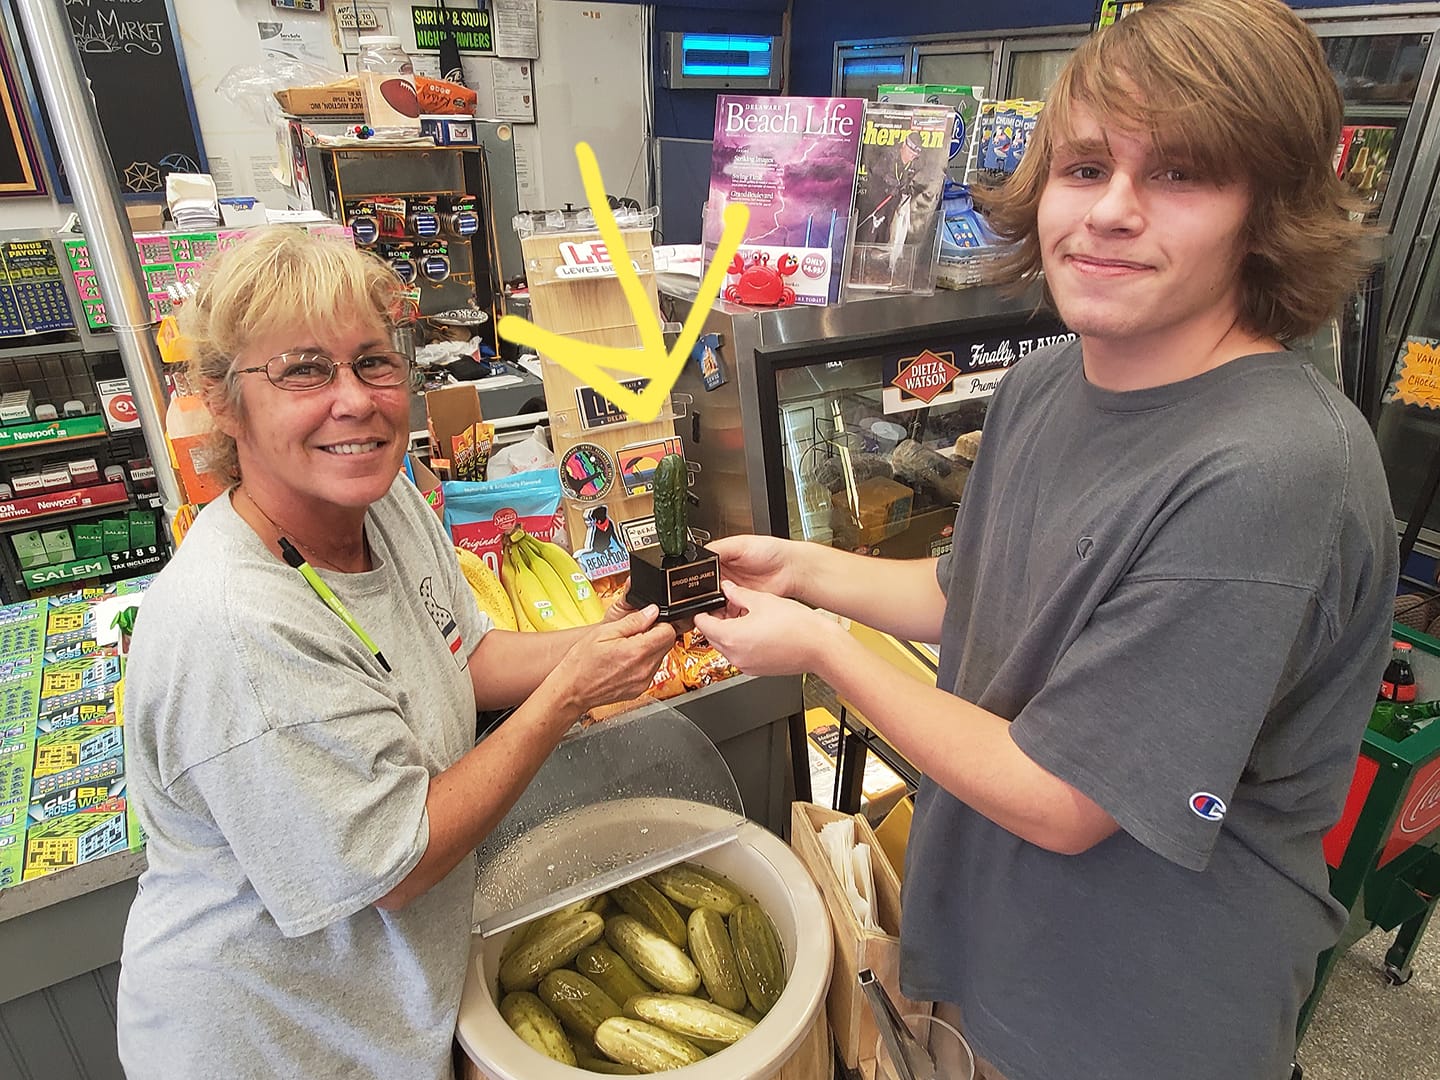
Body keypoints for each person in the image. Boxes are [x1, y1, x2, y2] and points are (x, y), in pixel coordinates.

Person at [693, 3, 1399, 1078]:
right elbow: (974, 593)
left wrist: (822, 649)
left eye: (1180, 174)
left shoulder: (1273, 473)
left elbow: (1068, 801)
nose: (1110, 211)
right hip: (987, 950)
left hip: (1129, 1019)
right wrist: (807, 571)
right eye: (1085, 168)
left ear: (1268, 213)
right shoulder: (1045, 383)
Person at [116, 227, 675, 1079]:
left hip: (388, 1007)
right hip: (279, 1043)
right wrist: (567, 694)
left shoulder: (383, 502)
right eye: (304, 370)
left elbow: (465, 656)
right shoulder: (237, 627)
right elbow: (397, 865)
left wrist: (614, 635)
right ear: (225, 402)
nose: (355, 400)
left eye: (374, 362)